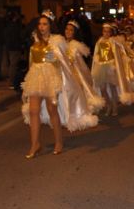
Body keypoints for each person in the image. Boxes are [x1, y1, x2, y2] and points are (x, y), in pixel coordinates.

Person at [20, 11, 65, 158]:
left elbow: (59, 62)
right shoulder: (34, 40)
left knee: (52, 110)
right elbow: (31, 62)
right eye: (39, 24)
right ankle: (35, 144)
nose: (41, 26)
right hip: (35, 77)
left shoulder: (56, 41)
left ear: (51, 25)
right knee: (33, 111)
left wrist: (50, 55)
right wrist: (26, 86)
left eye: (45, 24)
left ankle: (58, 142)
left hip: (50, 77)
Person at [92, 22, 134, 116]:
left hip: (111, 67)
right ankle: (108, 105)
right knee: (103, 89)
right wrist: (97, 61)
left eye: (108, 32)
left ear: (111, 33)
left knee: (112, 88)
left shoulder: (113, 42)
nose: (106, 34)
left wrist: (115, 63)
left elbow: (119, 54)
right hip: (100, 67)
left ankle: (114, 108)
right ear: (102, 32)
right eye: (105, 31)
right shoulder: (99, 42)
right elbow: (96, 54)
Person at [64, 20, 105, 114]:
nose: (68, 31)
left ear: (75, 33)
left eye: (71, 30)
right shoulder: (62, 43)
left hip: (73, 74)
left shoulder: (76, 46)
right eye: (67, 29)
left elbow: (79, 63)